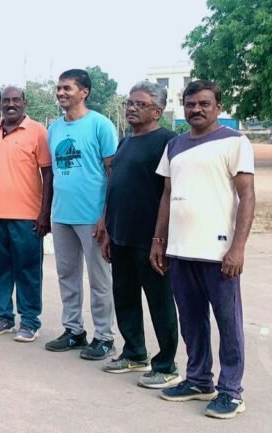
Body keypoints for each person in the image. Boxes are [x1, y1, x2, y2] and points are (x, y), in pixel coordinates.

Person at [153, 80, 255, 420]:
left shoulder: (234, 142)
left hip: (218, 252)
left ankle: (231, 391)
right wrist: (159, 240)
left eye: (204, 103)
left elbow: (247, 196)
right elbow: (167, 195)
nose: (196, 109)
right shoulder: (175, 145)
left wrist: (237, 248)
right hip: (180, 250)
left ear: (218, 107)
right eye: (190, 103)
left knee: (228, 323)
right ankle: (198, 380)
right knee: (192, 321)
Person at [100, 82, 180, 388]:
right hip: (121, 235)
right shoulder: (125, 142)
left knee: (160, 302)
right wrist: (108, 230)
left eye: (140, 104)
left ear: (157, 111)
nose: (131, 108)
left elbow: (171, 193)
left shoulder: (168, 142)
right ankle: (134, 352)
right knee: (125, 297)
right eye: (129, 103)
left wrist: (161, 238)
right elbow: (115, 188)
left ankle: (166, 365)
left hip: (150, 240)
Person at [44, 69, 119, 360]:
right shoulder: (54, 129)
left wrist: (105, 217)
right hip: (62, 214)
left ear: (84, 92)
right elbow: (52, 173)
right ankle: (74, 330)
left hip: (92, 217)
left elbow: (113, 173)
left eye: (67, 88)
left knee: (99, 279)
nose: (61, 93)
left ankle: (104, 336)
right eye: (59, 88)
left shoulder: (100, 125)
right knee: (67, 275)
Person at [0, 86, 52, 343]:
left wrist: (44, 213)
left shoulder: (38, 132)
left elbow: (48, 174)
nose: (11, 104)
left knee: (28, 270)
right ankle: (3, 317)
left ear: (25, 103)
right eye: (6, 100)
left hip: (27, 215)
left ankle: (30, 321)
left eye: (16, 100)